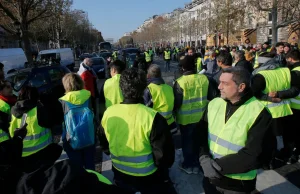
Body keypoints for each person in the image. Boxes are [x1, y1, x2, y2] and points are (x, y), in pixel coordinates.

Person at [99, 68, 175, 194]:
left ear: (121, 87)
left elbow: (103, 143)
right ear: (144, 87)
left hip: (119, 172)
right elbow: (164, 156)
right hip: (148, 177)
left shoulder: (109, 113)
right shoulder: (153, 117)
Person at [200, 67, 272, 194]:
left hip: (237, 184)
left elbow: (255, 154)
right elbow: (200, 134)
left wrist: (216, 167)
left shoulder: (259, 112)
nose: (219, 87)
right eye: (219, 82)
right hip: (210, 178)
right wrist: (203, 157)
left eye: (225, 83)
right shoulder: (214, 103)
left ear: (241, 87)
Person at [252, 52, 293, 168]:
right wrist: (280, 94)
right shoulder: (285, 71)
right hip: (284, 110)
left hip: (266, 111)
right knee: (279, 137)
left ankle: (266, 162)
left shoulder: (260, 75)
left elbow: (253, 93)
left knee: (266, 139)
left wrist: (269, 98)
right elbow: (295, 90)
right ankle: (278, 158)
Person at [173, 55, 210, 174]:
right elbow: (211, 96)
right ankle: (200, 164)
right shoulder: (204, 79)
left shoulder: (180, 82)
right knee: (200, 142)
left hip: (186, 119)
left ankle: (189, 165)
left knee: (187, 142)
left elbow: (177, 103)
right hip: (203, 117)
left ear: (182, 68)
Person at [9, 86, 56, 172]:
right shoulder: (39, 108)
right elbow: (50, 123)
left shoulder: (12, 111)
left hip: (23, 154)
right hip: (44, 151)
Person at [269, 50, 300, 164]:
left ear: (291, 59)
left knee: (291, 133)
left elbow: (294, 91)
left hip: (295, 107)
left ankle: (289, 155)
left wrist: (279, 94)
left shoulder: (294, 72)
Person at [59, 73, 95, 170]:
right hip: (89, 135)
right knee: (90, 165)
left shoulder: (62, 101)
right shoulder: (88, 96)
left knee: (76, 167)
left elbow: (61, 121)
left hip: (71, 139)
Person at [144, 64, 177, 135]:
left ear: (149, 75)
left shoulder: (149, 89)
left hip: (156, 126)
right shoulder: (169, 88)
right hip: (170, 123)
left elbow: (145, 110)